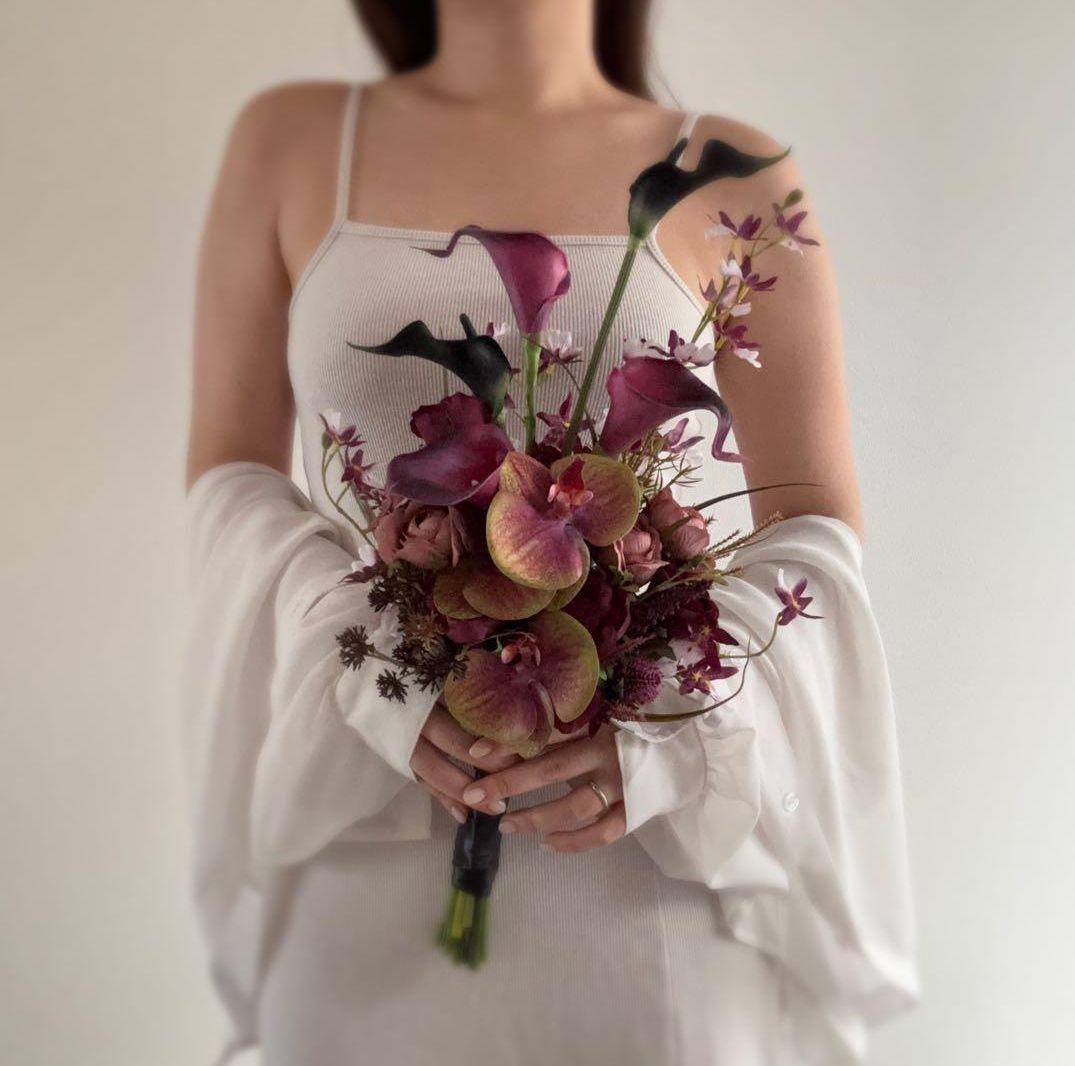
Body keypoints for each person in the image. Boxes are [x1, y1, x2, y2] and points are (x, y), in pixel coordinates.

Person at [183, 2, 918, 1063]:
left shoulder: (740, 175)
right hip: (370, 838)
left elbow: (811, 524)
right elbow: (231, 478)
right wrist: (370, 659)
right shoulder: (292, 139)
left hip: (645, 883)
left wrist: (672, 717)